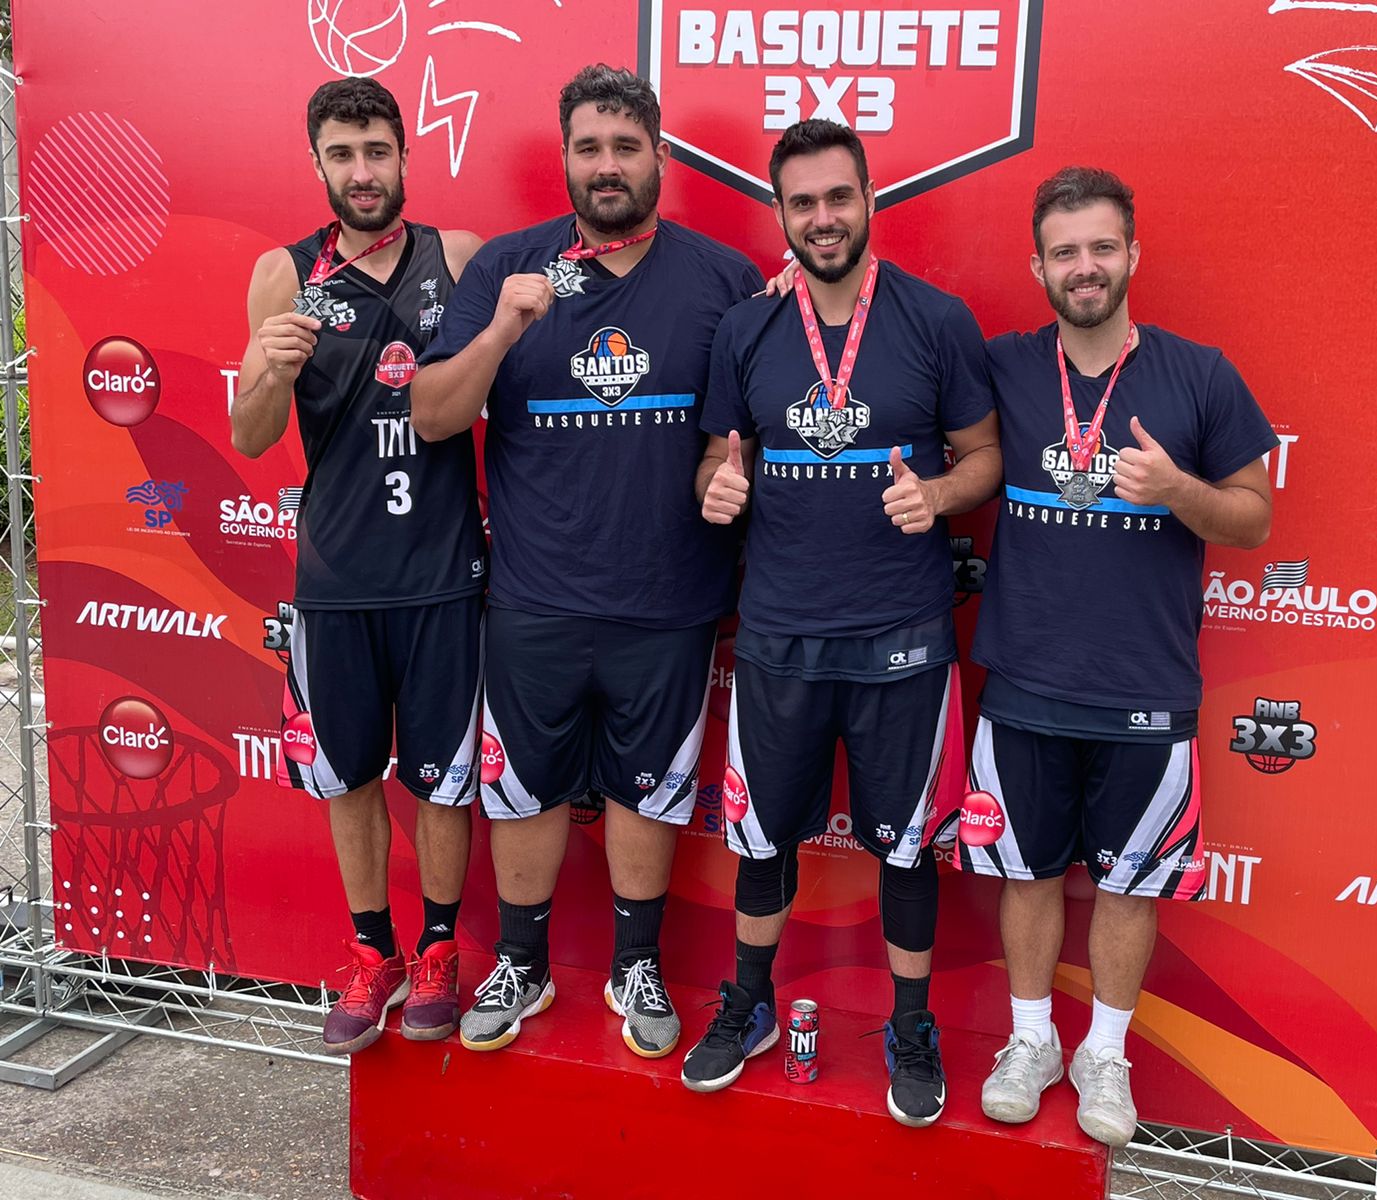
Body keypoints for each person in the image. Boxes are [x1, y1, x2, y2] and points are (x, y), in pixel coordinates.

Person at [409, 65, 763, 1058]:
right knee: (521, 785)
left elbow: (738, 435)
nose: (607, 166)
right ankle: (520, 963)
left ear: (660, 157)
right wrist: (503, 327)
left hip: (670, 596)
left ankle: (634, 964)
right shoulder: (508, 271)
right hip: (534, 593)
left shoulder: (723, 278)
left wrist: (718, 476)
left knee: (647, 789)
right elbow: (434, 416)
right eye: (588, 148)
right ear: (564, 160)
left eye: (625, 146)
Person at [684, 119, 1001, 1128]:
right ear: (780, 215)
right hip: (777, 632)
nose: (822, 218)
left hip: (903, 636)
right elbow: (714, 458)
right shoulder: (747, 329)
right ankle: (749, 1002)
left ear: (870, 200)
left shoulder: (937, 321)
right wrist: (715, 487)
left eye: (837, 197)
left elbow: (984, 456)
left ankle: (911, 1024)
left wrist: (941, 497)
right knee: (762, 837)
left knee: (905, 848)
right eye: (802, 202)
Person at [967, 167, 1275, 1145]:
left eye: (1102, 247)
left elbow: (1254, 518)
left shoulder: (1199, 374)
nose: (1084, 267)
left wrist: (1178, 488)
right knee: (1025, 875)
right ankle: (1030, 1040)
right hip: (1021, 675)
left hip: (1145, 687)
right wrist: (791, 290)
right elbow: (884, 354)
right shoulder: (1003, 365)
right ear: (1038, 267)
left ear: (1132, 255)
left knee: (1130, 882)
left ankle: (1103, 1052)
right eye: (1065, 252)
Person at [230, 78, 487, 1053]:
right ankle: (370, 950)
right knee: (345, 776)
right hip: (335, 578)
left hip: (441, 573)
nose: (363, 171)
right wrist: (273, 365)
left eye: (377, 151)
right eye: (343, 155)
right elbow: (252, 437)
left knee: (442, 780)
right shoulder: (281, 274)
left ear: (405, 155)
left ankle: (437, 947)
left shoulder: (452, 257)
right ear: (319, 165)